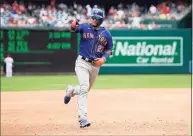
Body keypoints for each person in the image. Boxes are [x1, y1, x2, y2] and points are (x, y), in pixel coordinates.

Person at [64, 8, 113, 128]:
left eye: (95, 18)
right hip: (82, 63)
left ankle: (71, 90)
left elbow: (109, 50)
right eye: (92, 17)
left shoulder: (106, 34)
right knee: (84, 89)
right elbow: (72, 30)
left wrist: (103, 59)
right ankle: (83, 119)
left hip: (95, 66)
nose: (93, 19)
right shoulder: (85, 27)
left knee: (85, 89)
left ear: (101, 19)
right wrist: (72, 26)